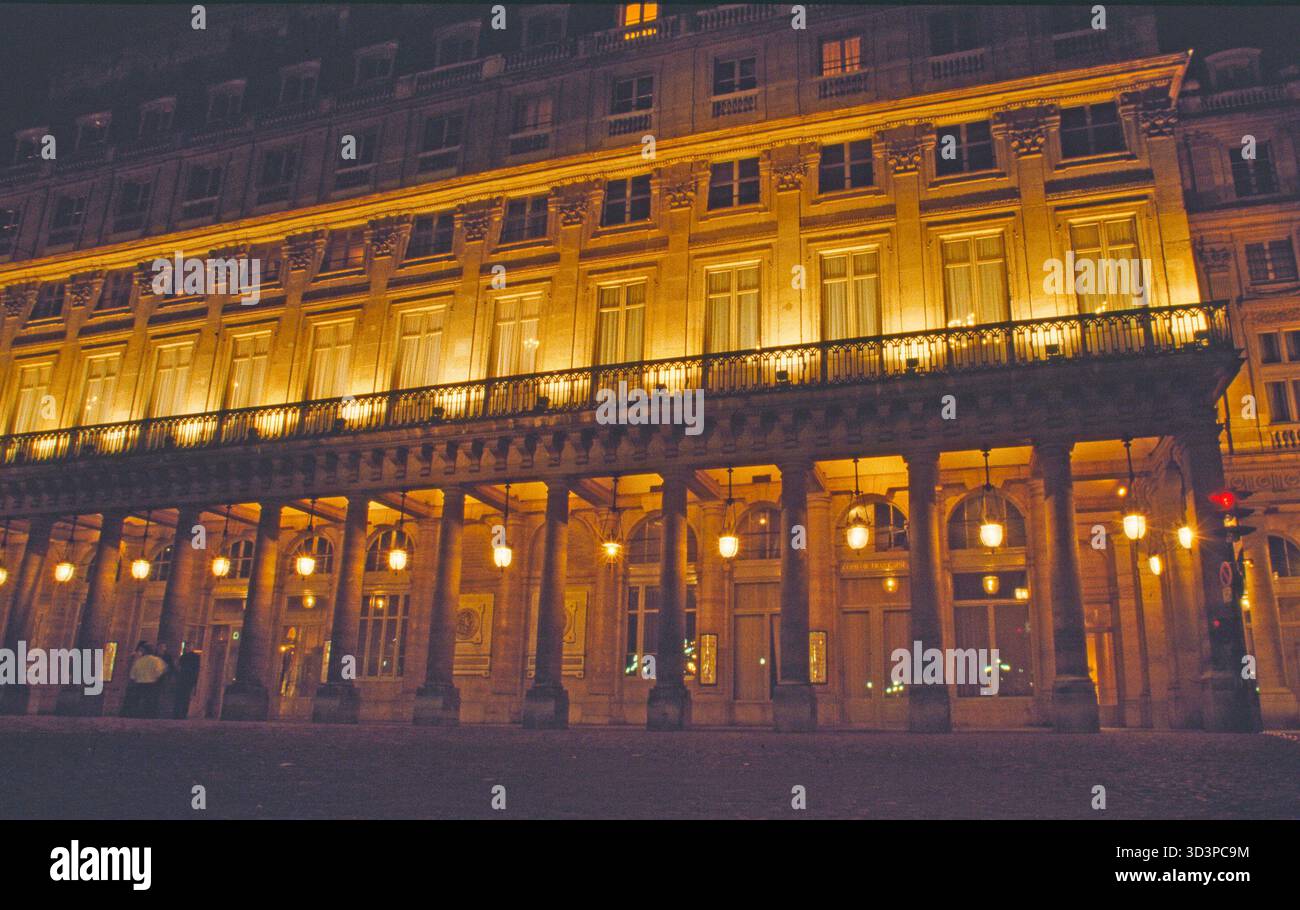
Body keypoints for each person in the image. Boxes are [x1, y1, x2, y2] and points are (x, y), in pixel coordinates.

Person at [121, 642, 166, 718]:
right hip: (152, 684)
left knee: (139, 700)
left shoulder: (139, 661)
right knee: (150, 701)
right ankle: (148, 716)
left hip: (140, 683)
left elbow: (133, 674)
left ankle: (137, 715)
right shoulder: (157, 661)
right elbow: (159, 672)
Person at [173, 649, 201, 719]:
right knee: (186, 697)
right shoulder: (195, 658)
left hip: (183, 679)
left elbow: (178, 666)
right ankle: (183, 713)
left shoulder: (184, 657)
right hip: (189, 679)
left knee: (180, 697)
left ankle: (178, 713)